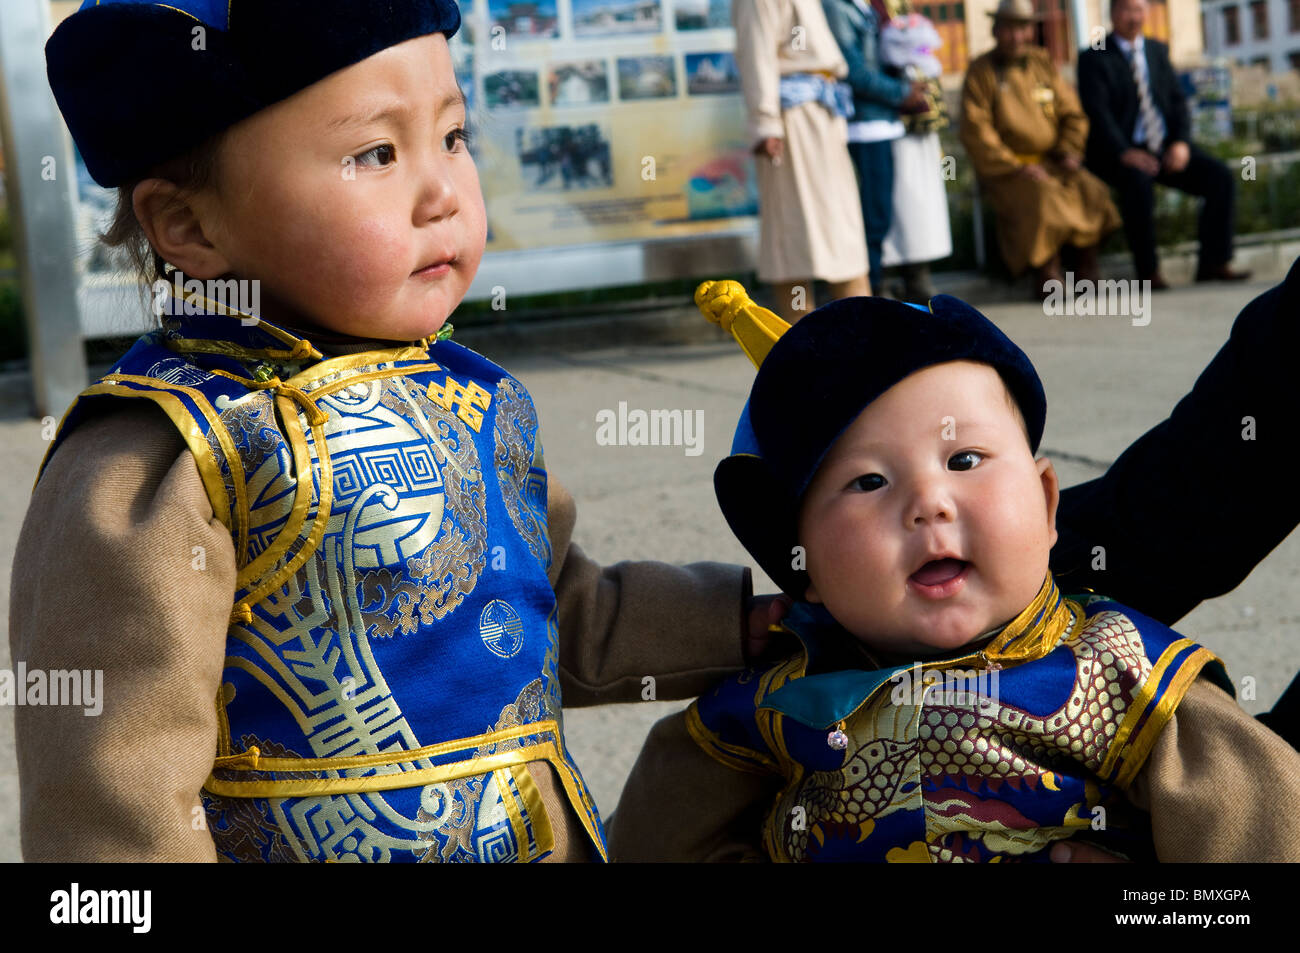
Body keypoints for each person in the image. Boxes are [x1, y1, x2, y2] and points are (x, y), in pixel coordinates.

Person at [12, 0, 775, 863]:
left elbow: (547, 608)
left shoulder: (473, 395)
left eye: (452, 137)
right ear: (190, 226)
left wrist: (738, 626)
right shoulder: (166, 453)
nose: (443, 192)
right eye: (375, 153)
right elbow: (115, 792)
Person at [607, 279, 1300, 861]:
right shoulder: (775, 698)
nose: (928, 504)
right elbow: (655, 833)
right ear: (803, 566)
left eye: (965, 460)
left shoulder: (1124, 676)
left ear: (1048, 499)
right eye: (869, 481)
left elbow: (1265, 832)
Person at [1077, 0, 1250, 288]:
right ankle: (1149, 272)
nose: (1134, 17)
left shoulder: (1157, 51)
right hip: (1119, 154)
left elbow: (1177, 102)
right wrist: (1124, 152)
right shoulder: (1095, 57)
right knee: (1138, 184)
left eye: (1139, 9)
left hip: (1164, 147)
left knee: (1219, 178)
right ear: (1113, 14)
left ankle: (1214, 263)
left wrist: (1181, 143)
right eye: (1127, 10)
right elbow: (1098, 113)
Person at [959, 0, 1121, 299]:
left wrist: (1069, 150)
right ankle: (1047, 272)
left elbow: (1072, 113)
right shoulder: (981, 71)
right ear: (996, 30)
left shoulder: (1042, 62)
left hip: (1052, 161)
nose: (1015, 37)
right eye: (1008, 29)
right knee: (1043, 198)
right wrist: (1014, 164)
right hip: (1008, 171)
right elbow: (976, 130)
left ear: (1031, 30)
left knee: (1092, 189)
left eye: (1022, 28)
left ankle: (1085, 266)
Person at [733, 0, 872, 321]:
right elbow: (755, 50)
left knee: (843, 235)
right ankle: (801, 339)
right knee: (793, 233)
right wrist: (765, 122)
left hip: (824, 111)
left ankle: (862, 333)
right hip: (792, 122)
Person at [821, 0, 927, 288]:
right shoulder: (836, 7)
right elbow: (852, 71)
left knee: (880, 216)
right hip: (865, 125)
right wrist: (901, 92)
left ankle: (872, 291)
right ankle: (867, 297)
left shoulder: (866, 6)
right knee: (872, 218)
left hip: (883, 121)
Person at [878, 1, 953, 303]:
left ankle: (918, 277)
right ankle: (880, 282)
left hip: (919, 116)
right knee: (892, 201)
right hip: (887, 116)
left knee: (920, 203)